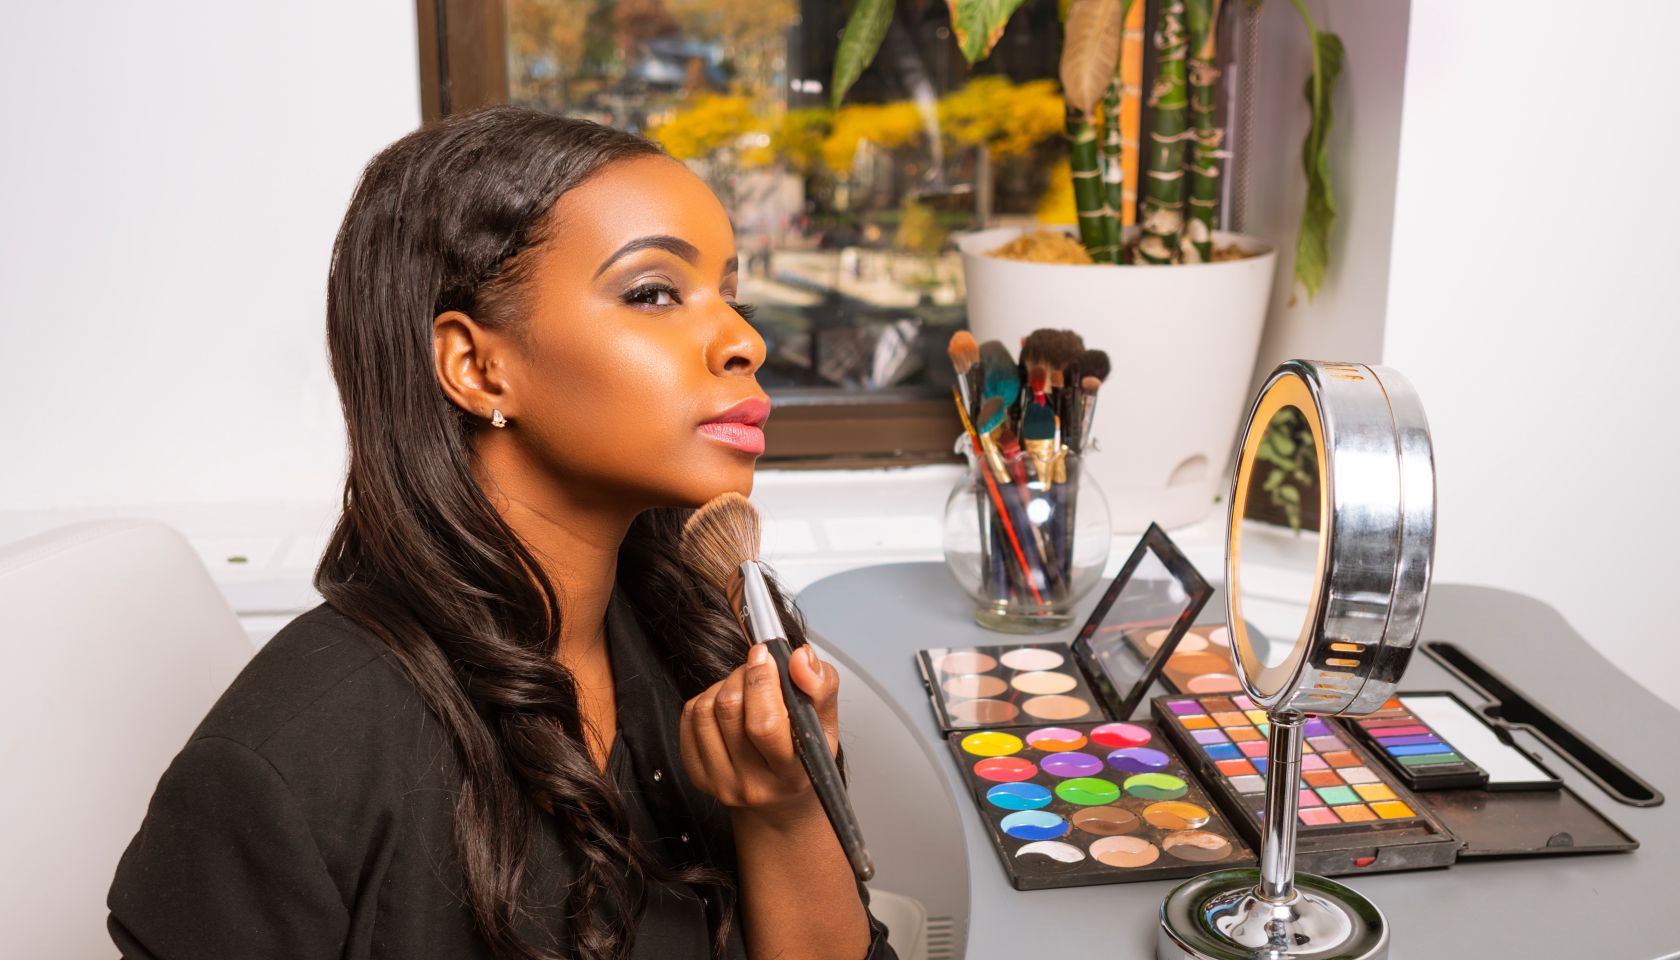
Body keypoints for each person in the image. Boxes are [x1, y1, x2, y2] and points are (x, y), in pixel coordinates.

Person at [106, 106, 896, 960]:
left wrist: (782, 812)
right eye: (655, 293)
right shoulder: (283, 769)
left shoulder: (703, 635)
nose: (744, 341)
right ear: (477, 366)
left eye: (731, 297)